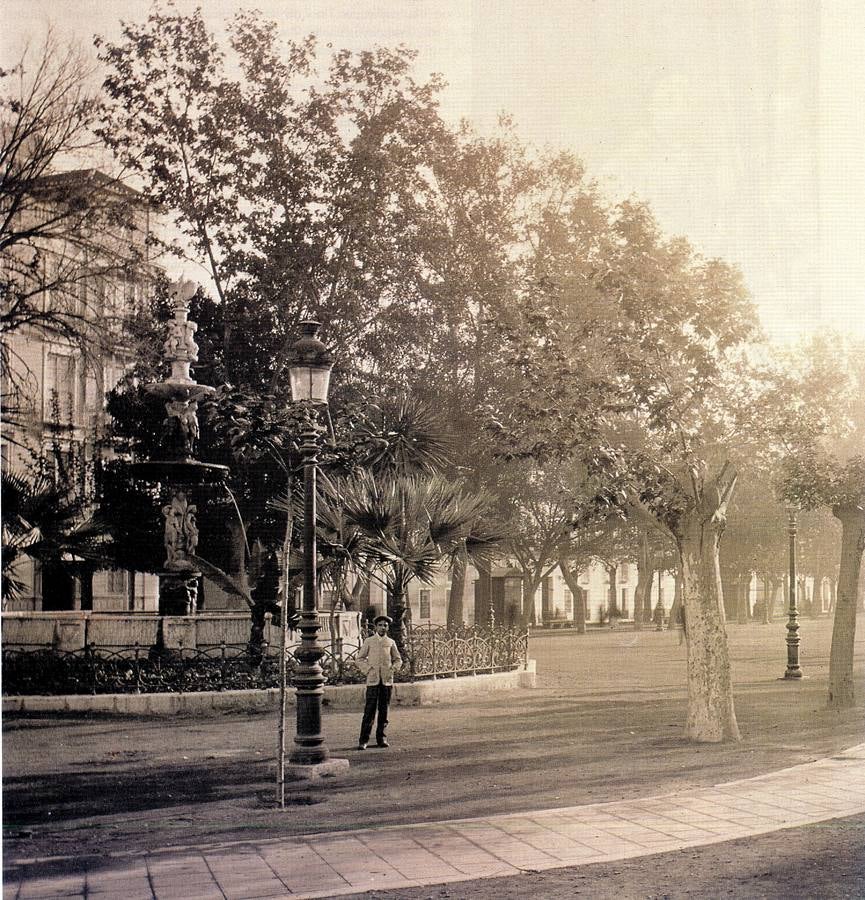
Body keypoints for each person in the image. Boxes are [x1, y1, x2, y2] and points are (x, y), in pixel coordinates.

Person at [356, 615, 402, 750]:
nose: (383, 627)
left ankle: (381, 737)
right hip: (373, 681)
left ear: (388, 627)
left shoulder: (391, 642)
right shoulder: (369, 641)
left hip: (386, 681)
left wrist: (393, 668)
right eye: (380, 625)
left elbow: (398, 659)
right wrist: (369, 670)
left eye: (385, 625)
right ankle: (363, 740)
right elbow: (359, 659)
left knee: (384, 710)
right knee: (369, 711)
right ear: (375, 627)